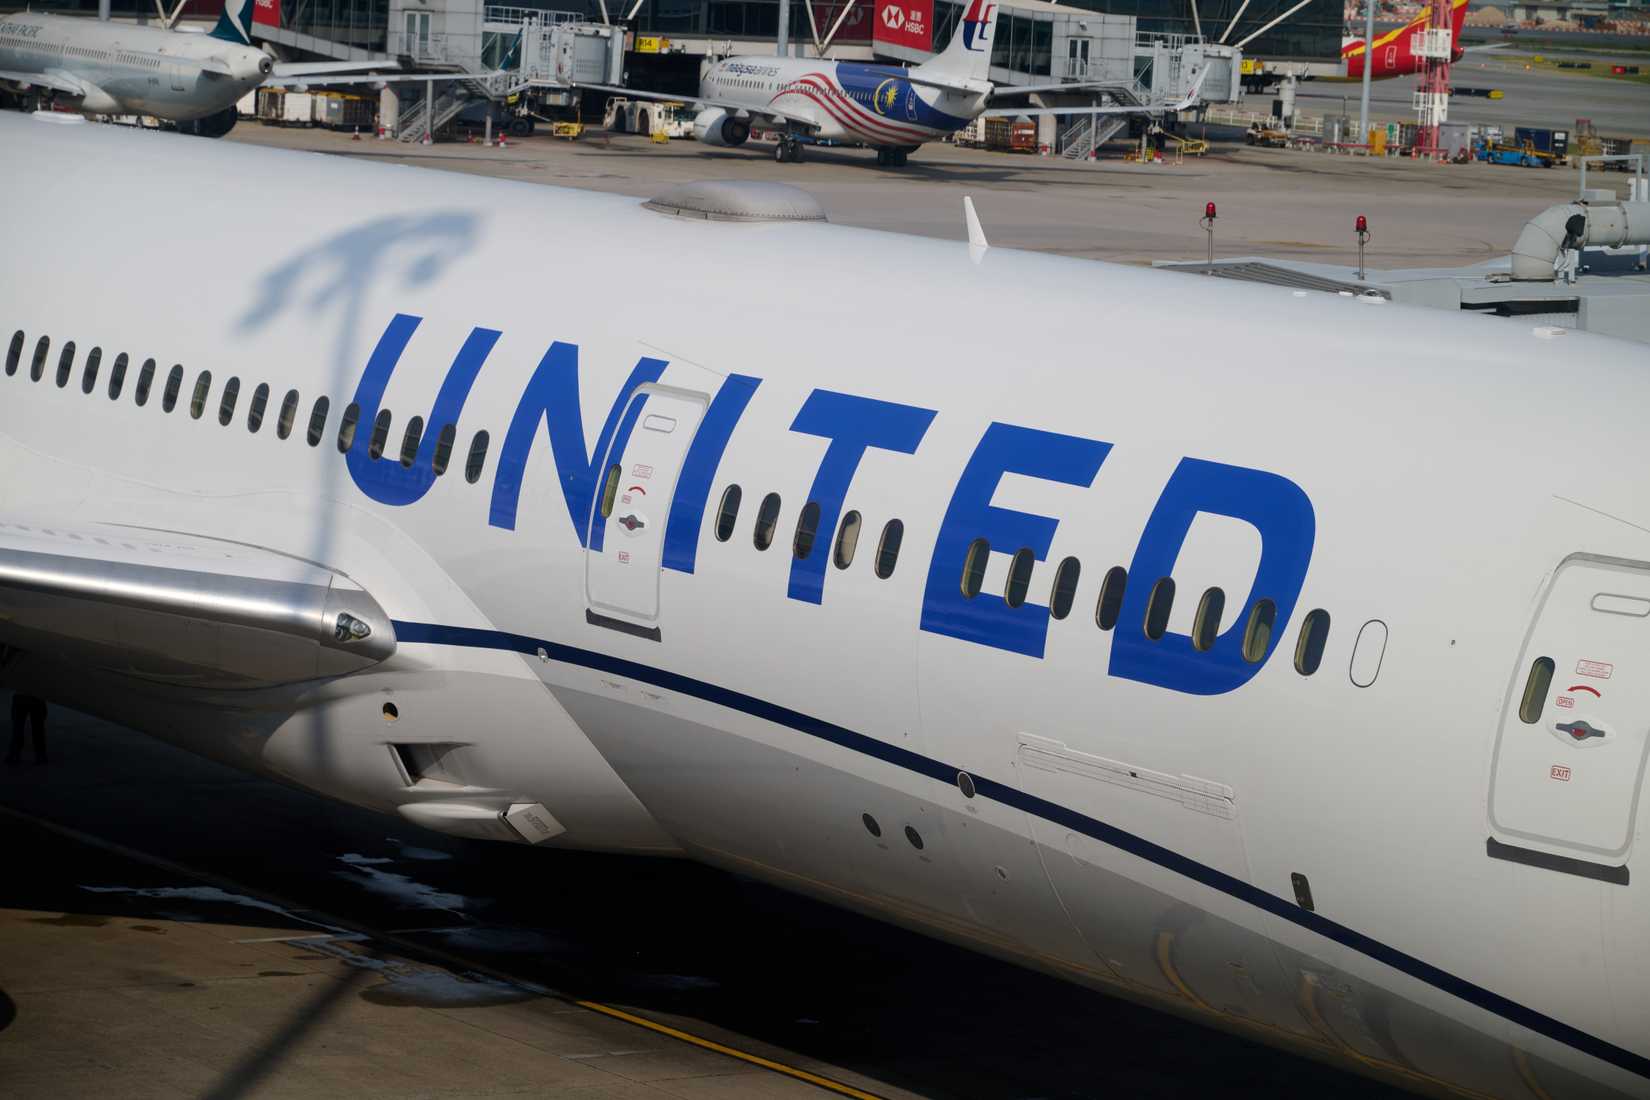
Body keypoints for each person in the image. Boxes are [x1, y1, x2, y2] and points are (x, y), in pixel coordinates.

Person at [6, 693, 46, 765]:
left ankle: (14, 754)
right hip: (36, 698)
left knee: (18, 728)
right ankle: (40, 755)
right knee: (37, 729)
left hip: (22, 697)